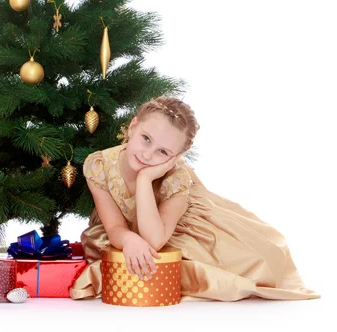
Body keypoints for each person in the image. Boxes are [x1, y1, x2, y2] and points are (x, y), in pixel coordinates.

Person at [69, 96, 320, 301]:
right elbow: (114, 226)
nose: (147, 154)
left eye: (163, 152)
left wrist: (146, 180)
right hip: (126, 229)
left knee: (258, 263)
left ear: (176, 156)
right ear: (133, 126)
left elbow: (155, 239)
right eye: (146, 138)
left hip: (171, 227)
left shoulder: (176, 177)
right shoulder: (99, 165)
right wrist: (128, 238)